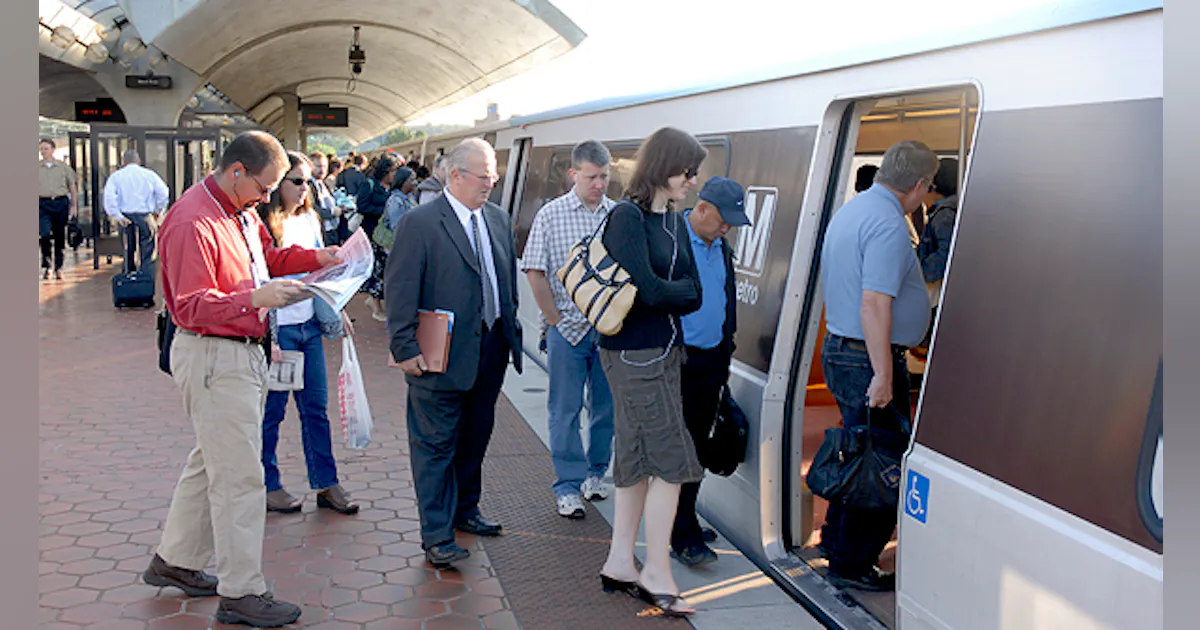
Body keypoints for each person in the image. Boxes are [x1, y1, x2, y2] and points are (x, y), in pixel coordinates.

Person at [142, 131, 342, 628]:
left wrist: (318, 258)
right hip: (214, 354)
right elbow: (190, 305)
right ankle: (242, 590)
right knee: (239, 478)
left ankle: (175, 560)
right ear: (236, 172)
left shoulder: (240, 211)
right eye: (264, 187)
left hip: (236, 353)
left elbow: (266, 259)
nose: (267, 197)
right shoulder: (192, 221)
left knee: (211, 462)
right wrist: (255, 299)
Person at [384, 137, 523, 568]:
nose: (490, 184)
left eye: (494, 176)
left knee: (475, 436)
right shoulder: (421, 223)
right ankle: (438, 535)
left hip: (491, 349)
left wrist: (511, 331)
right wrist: (404, 346)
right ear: (456, 175)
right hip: (438, 353)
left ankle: (466, 510)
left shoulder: (498, 219)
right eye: (483, 177)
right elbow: (400, 287)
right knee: (435, 444)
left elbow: (506, 281)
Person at [816, 140, 936, 592]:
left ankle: (836, 543)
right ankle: (852, 563)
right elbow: (874, 304)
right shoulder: (888, 223)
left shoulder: (854, 210)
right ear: (920, 184)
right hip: (867, 357)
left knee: (857, 451)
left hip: (843, 348)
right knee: (879, 464)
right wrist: (884, 374)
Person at [596, 126, 706, 617]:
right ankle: (657, 571)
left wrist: (667, 292)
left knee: (637, 457)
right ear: (665, 166)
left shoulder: (674, 220)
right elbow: (651, 290)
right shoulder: (627, 217)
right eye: (688, 171)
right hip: (632, 355)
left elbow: (692, 293)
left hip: (664, 353)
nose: (693, 181)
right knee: (672, 462)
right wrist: (669, 291)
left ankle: (621, 562)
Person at [257, 151, 359, 516]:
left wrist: (337, 308)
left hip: (308, 326)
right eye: (296, 181)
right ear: (278, 184)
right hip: (280, 330)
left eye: (308, 182)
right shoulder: (264, 224)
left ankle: (326, 483)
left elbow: (320, 274)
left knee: (315, 409)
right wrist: (268, 335)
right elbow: (260, 277)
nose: (304, 189)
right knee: (272, 412)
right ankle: (268, 484)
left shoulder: (311, 219)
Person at [520, 140, 616, 520]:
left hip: (609, 331)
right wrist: (555, 321)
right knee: (565, 410)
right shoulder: (551, 215)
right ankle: (567, 486)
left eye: (604, 176)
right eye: (592, 177)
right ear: (573, 174)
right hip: (567, 332)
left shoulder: (617, 215)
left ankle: (596, 473)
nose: (599, 184)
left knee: (606, 409)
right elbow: (534, 271)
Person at [670, 176, 748, 568]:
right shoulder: (671, 241)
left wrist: (726, 351)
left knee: (699, 445)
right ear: (702, 209)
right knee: (679, 449)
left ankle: (687, 520)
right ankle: (681, 534)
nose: (726, 228)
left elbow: (726, 300)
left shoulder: (721, 248)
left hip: (711, 361)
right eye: (723, 220)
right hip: (677, 362)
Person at [102, 149, 170, 281]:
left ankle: (129, 276)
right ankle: (147, 278)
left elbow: (109, 198)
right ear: (139, 161)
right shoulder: (149, 175)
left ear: (124, 162)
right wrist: (157, 211)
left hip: (125, 216)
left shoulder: (116, 177)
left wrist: (117, 215)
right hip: (145, 215)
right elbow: (163, 193)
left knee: (127, 248)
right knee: (149, 249)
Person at [357, 154, 398, 321]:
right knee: (376, 269)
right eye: (393, 171)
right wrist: (383, 211)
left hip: (385, 236)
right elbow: (362, 206)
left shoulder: (392, 189)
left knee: (383, 269)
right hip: (372, 233)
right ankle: (376, 307)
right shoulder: (370, 185)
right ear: (385, 172)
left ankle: (374, 300)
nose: (395, 175)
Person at [38, 138, 79, 280]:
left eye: (46, 149)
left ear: (52, 150)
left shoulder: (63, 167)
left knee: (59, 236)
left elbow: (72, 187)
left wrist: (74, 206)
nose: (43, 152)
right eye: (41, 149)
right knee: (44, 234)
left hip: (60, 202)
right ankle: (47, 265)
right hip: (43, 203)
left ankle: (59, 267)